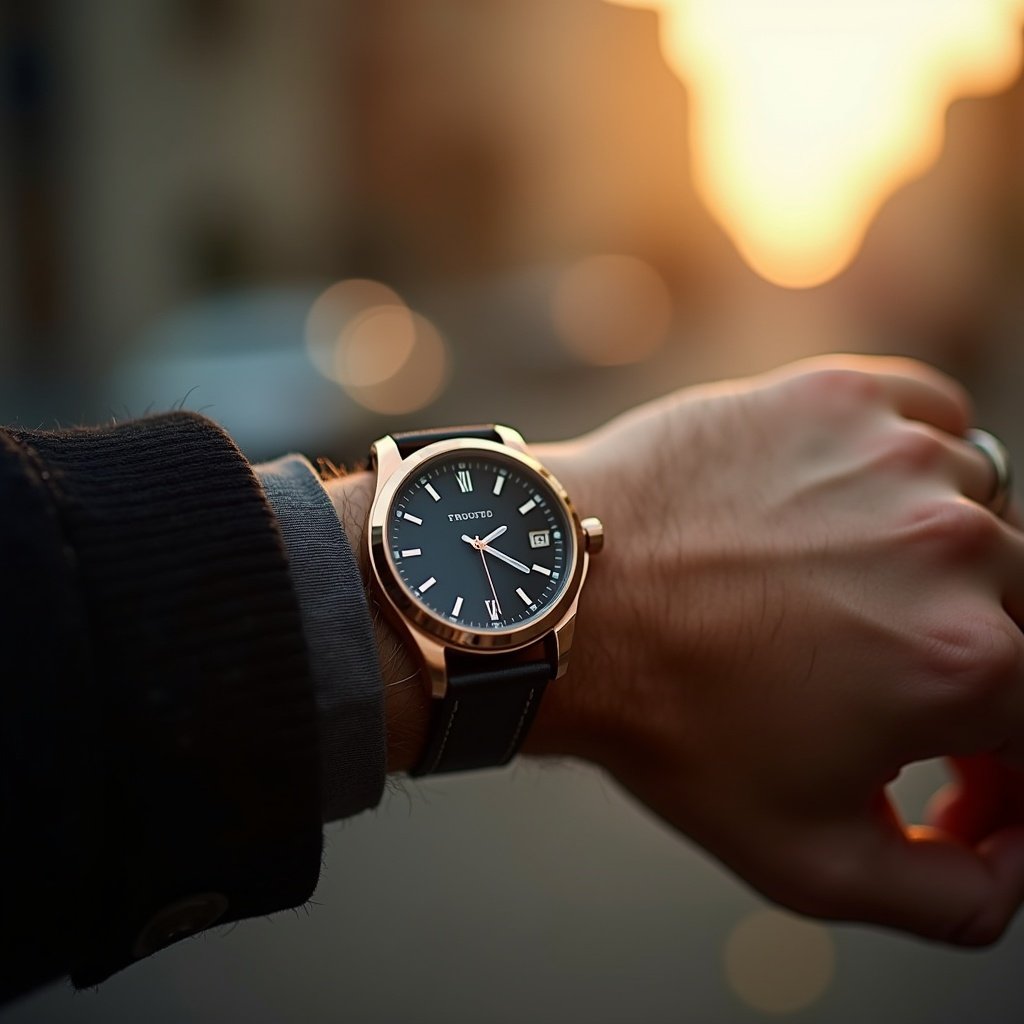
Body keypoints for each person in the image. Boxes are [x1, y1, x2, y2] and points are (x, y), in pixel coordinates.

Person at [3, 353, 1024, 1004]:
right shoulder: (492, 544)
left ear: (576, 535)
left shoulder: (534, 537)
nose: (521, 541)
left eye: (552, 537)